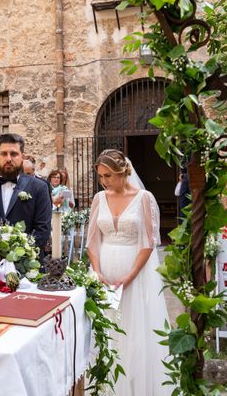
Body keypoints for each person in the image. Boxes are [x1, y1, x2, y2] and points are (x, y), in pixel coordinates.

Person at [85, 149, 170, 396]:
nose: (104, 181)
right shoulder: (99, 198)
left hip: (135, 273)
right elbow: (92, 240)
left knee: (134, 328)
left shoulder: (144, 197)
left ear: (123, 172)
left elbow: (149, 242)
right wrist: (97, 272)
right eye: (101, 176)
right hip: (104, 270)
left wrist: (129, 277)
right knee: (107, 326)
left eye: (108, 175)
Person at [0, 133, 52, 253]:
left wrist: (20, 256)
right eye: (4, 154)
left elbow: (42, 230)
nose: (8, 159)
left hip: (27, 267)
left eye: (13, 154)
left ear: (22, 156)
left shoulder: (40, 188)